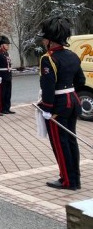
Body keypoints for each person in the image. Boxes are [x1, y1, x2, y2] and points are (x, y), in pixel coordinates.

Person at [37, 16, 86, 190]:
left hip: (58, 105)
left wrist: (47, 107)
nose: (43, 41)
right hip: (72, 101)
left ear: (50, 41)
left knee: (60, 143)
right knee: (71, 140)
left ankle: (67, 180)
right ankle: (75, 179)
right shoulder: (72, 55)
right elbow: (80, 80)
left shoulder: (48, 59)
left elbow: (48, 87)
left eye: (44, 38)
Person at [0, 36, 15, 114]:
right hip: (2, 76)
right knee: (3, 93)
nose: (8, 46)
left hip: (8, 75)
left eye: (8, 45)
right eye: (6, 44)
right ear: (1, 45)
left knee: (8, 93)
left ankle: (7, 108)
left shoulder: (6, 53)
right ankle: (2, 108)